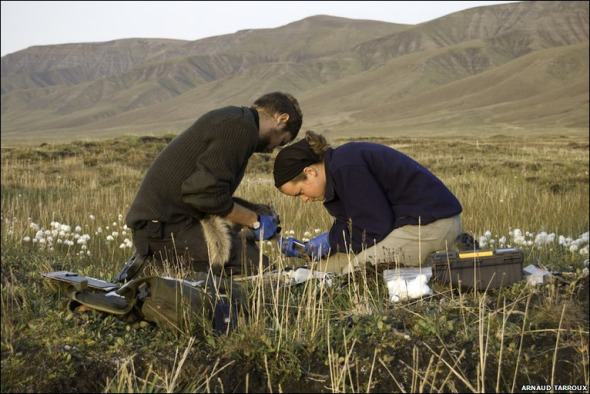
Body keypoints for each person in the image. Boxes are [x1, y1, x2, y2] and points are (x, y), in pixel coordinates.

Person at [116, 92, 303, 282]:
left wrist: (255, 212)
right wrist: (254, 220)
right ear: (281, 119)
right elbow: (204, 195)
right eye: (281, 141)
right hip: (163, 231)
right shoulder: (241, 127)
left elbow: (210, 193)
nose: (272, 150)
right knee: (262, 273)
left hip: (169, 224)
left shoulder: (236, 120)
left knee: (250, 255)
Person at [274, 130, 465, 274]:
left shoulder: (347, 167)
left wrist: (331, 241)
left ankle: (450, 252)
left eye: (300, 192)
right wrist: (311, 249)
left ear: (310, 172)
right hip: (400, 226)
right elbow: (354, 225)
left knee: (356, 274)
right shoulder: (336, 173)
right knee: (320, 269)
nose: (305, 200)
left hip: (430, 225)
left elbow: (373, 227)